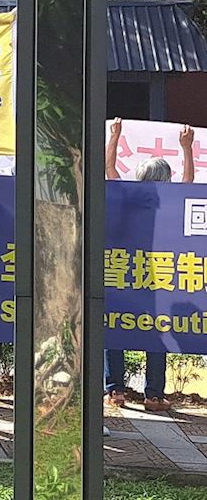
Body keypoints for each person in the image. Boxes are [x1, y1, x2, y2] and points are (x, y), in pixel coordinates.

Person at [103, 118, 194, 413]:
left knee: (116, 324)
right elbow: (189, 183)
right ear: (166, 178)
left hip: (124, 271)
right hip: (159, 275)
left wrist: (115, 136)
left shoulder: (127, 195)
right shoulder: (171, 199)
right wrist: (187, 147)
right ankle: (153, 396)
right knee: (157, 331)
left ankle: (115, 390)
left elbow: (110, 170)